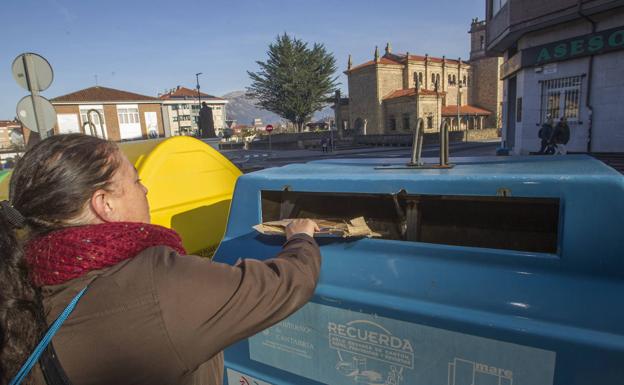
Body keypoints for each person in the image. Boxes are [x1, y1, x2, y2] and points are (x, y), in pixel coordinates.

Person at [0, 134, 321, 385]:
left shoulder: (20, 274)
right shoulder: (157, 282)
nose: (146, 190)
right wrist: (301, 238)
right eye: (136, 182)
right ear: (104, 204)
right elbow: (283, 284)